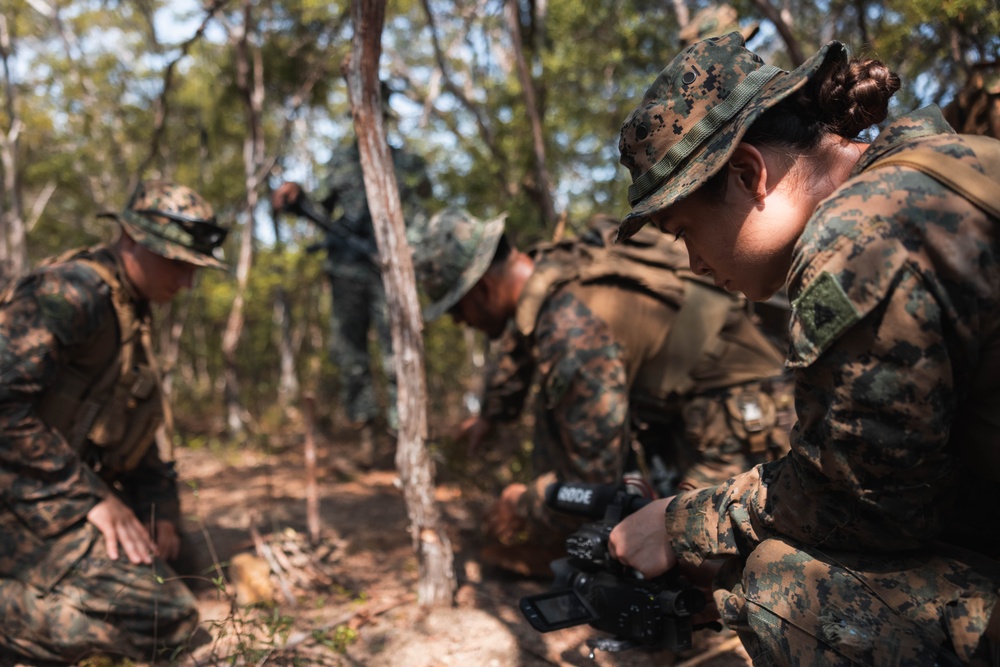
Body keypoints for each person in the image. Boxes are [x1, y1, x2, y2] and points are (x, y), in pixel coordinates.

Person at [608, 32, 1000, 665]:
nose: (693, 263)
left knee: (781, 584)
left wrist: (681, 524)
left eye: (685, 232)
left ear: (747, 173)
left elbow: (873, 506)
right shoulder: (949, 162)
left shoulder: (858, 234)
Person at [410, 208, 793, 577]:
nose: (461, 321)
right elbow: (517, 347)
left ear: (482, 289)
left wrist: (523, 503)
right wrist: (491, 415)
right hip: (695, 406)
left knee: (695, 561)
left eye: (457, 309)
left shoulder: (569, 330)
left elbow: (594, 480)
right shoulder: (550, 271)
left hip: (743, 419)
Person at [0, 180, 228, 663]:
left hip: (45, 489)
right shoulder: (71, 294)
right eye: (176, 262)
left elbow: (133, 427)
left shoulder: (130, 313)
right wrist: (89, 497)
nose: (187, 281)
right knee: (167, 619)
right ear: (129, 239)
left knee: (184, 565)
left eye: (194, 268)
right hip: (21, 492)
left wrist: (161, 507)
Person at [271, 118, 430, 466]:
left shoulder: (406, 163)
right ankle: (367, 440)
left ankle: (403, 440)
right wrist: (296, 192)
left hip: (390, 271)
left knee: (398, 355)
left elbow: (420, 214)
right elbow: (318, 206)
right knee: (350, 356)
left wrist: (408, 257)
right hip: (346, 270)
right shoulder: (342, 160)